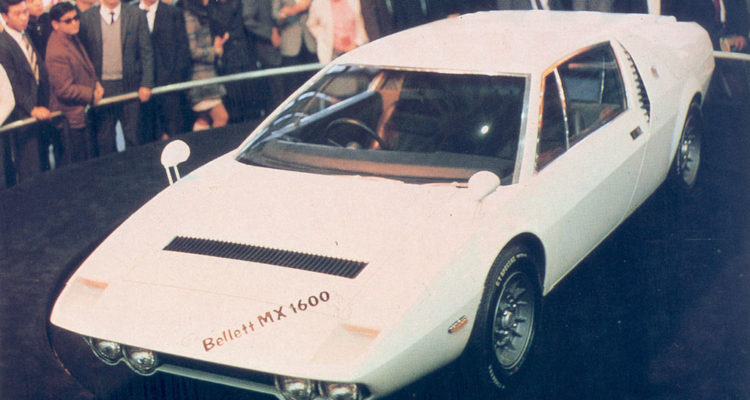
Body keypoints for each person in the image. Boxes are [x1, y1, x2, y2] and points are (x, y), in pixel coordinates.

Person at [78, 0, 154, 155]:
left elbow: (146, 52)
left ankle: (136, 169)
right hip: (102, 88)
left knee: (134, 137)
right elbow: (83, 58)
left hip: (131, 86)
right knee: (105, 140)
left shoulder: (136, 15)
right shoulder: (86, 18)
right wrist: (92, 85)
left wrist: (146, 83)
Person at [0, 0, 52, 186]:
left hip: (40, 108)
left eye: (25, 12)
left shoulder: (25, 35)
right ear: (5, 17)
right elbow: (12, 84)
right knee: (30, 169)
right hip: (22, 114)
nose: (24, 17)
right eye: (17, 14)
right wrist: (31, 108)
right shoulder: (3, 44)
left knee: (43, 164)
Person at [45, 1, 102, 163]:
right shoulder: (57, 51)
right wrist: (91, 94)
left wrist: (96, 83)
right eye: (68, 20)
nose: (75, 23)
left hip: (80, 115)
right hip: (71, 120)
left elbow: (86, 66)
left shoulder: (71, 37)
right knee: (79, 166)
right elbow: (64, 89)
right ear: (55, 24)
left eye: (76, 18)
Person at [137, 0, 191, 140]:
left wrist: (174, 81)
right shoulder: (131, 13)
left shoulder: (173, 13)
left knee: (174, 135)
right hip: (140, 90)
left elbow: (183, 50)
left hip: (170, 88)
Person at [181, 0, 228, 129]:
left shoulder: (202, 14)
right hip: (200, 79)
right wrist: (215, 51)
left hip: (209, 75)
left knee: (204, 120)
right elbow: (192, 51)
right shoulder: (190, 17)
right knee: (221, 117)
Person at [242, 0, 285, 109]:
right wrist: (270, 34)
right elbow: (248, 20)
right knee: (275, 93)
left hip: (283, 45)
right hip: (265, 48)